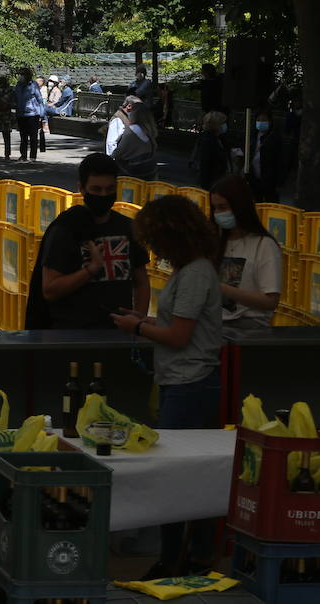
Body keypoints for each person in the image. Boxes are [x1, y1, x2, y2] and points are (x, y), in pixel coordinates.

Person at [110, 196, 222, 578]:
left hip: (190, 383)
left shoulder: (194, 274)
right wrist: (144, 318)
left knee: (175, 477)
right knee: (189, 474)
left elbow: (178, 335)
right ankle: (187, 556)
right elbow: (178, 324)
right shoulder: (191, 270)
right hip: (182, 380)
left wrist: (138, 328)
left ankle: (176, 558)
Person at [28, 153, 150, 329]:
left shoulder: (128, 228)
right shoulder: (65, 230)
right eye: (96, 189)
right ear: (82, 189)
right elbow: (50, 290)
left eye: (109, 189)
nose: (103, 195)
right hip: (71, 335)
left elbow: (141, 282)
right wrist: (91, 270)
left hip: (118, 334)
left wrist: (138, 321)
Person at [210, 175, 282, 336]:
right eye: (215, 208)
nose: (217, 213)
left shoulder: (264, 245)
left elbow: (270, 301)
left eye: (223, 207)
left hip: (248, 329)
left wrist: (222, 288)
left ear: (239, 207)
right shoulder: (216, 243)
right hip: (215, 325)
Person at [247, 109, 289, 203]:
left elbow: (281, 160)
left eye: (264, 120)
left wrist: (280, 181)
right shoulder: (252, 135)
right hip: (254, 178)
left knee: (270, 203)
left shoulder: (275, 138)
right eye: (259, 120)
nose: (261, 122)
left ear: (270, 122)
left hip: (269, 179)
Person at [112, 100, 157, 178]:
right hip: (150, 170)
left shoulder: (131, 130)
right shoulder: (149, 130)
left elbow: (118, 152)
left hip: (135, 171)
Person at [191, 111, 232, 190]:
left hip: (219, 180)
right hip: (212, 182)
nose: (225, 125)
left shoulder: (219, 138)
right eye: (223, 123)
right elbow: (205, 164)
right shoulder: (208, 141)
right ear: (216, 125)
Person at [14, 68, 45, 162]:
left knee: (33, 136)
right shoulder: (18, 85)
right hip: (21, 114)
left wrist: (42, 115)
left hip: (32, 114)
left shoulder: (33, 85)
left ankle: (32, 156)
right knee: (23, 136)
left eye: (22, 74)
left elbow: (40, 100)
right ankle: (23, 155)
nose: (20, 76)